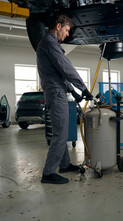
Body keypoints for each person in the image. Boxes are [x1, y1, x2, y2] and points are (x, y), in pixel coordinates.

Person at [36, 14, 93, 184]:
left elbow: (59, 74)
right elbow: (66, 68)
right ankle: (48, 173)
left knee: (62, 132)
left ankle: (65, 164)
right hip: (56, 94)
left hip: (58, 91)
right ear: (59, 26)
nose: (67, 34)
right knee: (60, 135)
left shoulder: (48, 44)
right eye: (67, 30)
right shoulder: (50, 43)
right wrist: (83, 88)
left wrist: (74, 92)